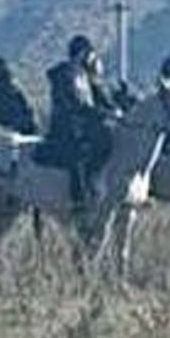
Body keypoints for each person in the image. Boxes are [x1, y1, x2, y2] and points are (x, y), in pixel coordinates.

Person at [45, 34, 120, 221]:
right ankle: (79, 202)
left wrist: (112, 110)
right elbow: (76, 105)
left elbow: (96, 100)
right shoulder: (65, 75)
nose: (93, 58)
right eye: (91, 54)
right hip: (67, 128)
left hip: (83, 125)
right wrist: (104, 114)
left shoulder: (84, 75)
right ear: (82, 53)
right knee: (78, 157)